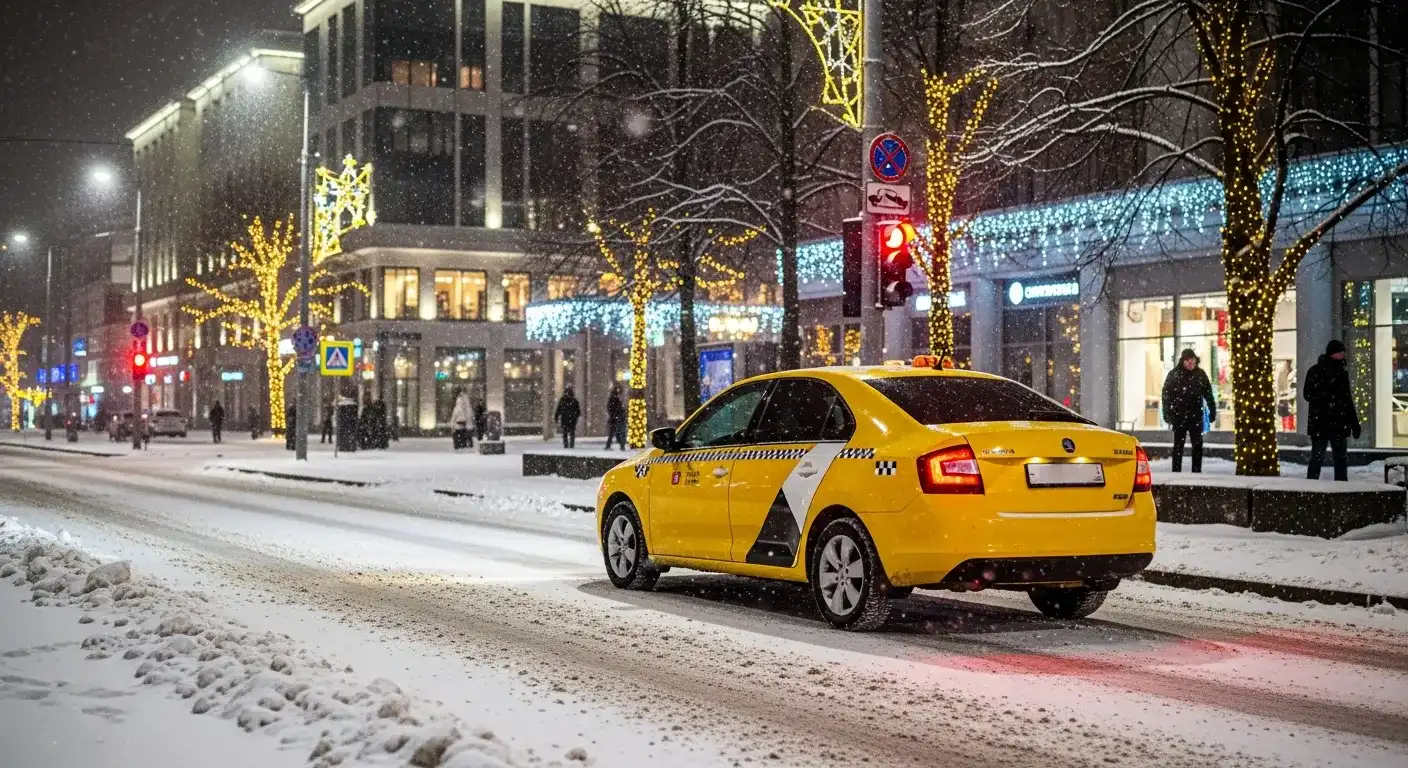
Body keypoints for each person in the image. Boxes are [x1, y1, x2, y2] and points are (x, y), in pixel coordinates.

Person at [1304, 339, 1360, 481]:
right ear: (1333, 354)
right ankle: (1334, 490)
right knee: (1333, 460)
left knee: (1321, 459)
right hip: (1331, 422)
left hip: (1326, 423)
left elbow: (1347, 400)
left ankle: (1312, 489)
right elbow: (1308, 394)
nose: (1343, 355)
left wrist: (1354, 423)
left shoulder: (1337, 372)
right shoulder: (1323, 372)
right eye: (1340, 352)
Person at [1161, 349, 1216, 473]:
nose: (1191, 363)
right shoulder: (1174, 374)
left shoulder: (1200, 375)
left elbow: (1208, 394)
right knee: (1178, 446)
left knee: (1197, 446)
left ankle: (1196, 471)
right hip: (1179, 416)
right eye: (1188, 361)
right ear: (1183, 361)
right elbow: (1166, 395)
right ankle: (1176, 471)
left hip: (1196, 416)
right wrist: (1167, 413)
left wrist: (1212, 411)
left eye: (1193, 360)